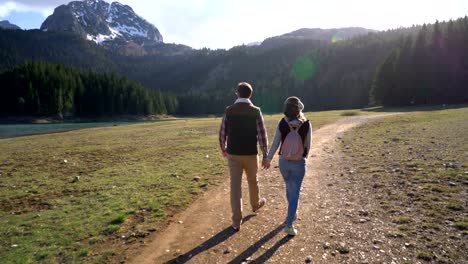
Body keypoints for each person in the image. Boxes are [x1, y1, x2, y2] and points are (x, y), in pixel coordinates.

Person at [219, 82, 269, 231]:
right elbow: (262, 134)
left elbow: (222, 132)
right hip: (251, 153)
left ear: (237, 93)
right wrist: (265, 154)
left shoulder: (229, 110)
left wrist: (223, 148)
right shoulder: (256, 111)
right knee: (253, 181)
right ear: (250, 94)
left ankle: (236, 221)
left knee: (235, 186)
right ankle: (255, 205)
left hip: (233, 153)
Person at [264, 96, 312, 236]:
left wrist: (268, 158)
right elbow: (308, 145)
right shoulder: (306, 124)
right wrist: (302, 157)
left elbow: (275, 143)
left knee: (289, 188)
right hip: (298, 163)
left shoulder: (282, 123)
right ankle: (289, 225)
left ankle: (292, 212)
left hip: (283, 162)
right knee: (295, 194)